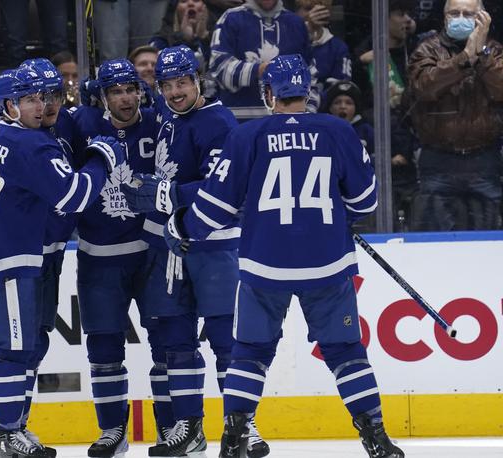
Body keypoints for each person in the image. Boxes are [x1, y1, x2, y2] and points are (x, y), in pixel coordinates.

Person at [162, 54, 404, 458]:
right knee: (345, 351)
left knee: (250, 352)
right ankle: (376, 437)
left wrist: (181, 227)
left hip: (264, 265)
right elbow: (366, 200)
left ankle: (235, 437)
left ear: (268, 92)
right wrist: (340, 212)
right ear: (308, 92)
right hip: (327, 264)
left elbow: (215, 208)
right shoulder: (339, 131)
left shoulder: (248, 136)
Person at [0, 63, 126, 457]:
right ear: (10, 103)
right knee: (12, 351)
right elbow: (74, 196)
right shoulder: (31, 143)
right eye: (32, 99)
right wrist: (100, 161)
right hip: (9, 261)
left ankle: (15, 428)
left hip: (8, 255)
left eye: (48, 96)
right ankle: (5, 433)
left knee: (27, 346)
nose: (42, 106)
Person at [120, 46, 268, 458]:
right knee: (175, 341)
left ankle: (244, 427)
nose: (174, 92)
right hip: (170, 247)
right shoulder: (171, 115)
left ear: (198, 80)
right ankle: (189, 427)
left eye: (182, 83)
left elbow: (222, 187)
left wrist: (166, 192)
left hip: (214, 247)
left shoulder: (217, 122)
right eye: (166, 85)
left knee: (227, 341)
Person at [69, 58, 159, 458]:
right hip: (98, 257)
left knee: (168, 344)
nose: (125, 98)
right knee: (103, 349)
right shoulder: (83, 124)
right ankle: (112, 430)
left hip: (150, 253)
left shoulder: (158, 123)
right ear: (102, 96)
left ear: (140, 91)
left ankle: (172, 427)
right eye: (115, 91)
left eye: (130, 89)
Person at [408, 0, 503, 231]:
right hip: (438, 158)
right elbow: (424, 87)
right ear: (444, 17)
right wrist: (464, 58)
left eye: (468, 14)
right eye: (454, 13)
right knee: (431, 237)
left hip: (483, 158)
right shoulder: (427, 49)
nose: (460, 18)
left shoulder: (495, 50)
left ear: (482, 18)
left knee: (490, 237)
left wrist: (480, 53)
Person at [208, 0, 319, 121]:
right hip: (239, 125)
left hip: (285, 128)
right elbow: (219, 68)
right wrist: (260, 69)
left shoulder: (296, 23)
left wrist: (306, 116)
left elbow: (311, 77)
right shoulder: (230, 18)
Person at [294, 0, 351, 92]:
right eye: (308, 9)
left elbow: (340, 90)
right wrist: (306, 32)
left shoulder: (338, 48)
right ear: (297, 12)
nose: (313, 14)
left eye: (320, 10)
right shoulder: (287, 40)